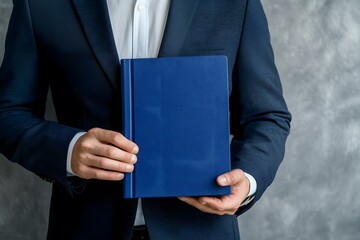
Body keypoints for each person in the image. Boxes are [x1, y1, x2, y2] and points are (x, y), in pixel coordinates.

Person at [0, 0, 291, 239]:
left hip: (200, 228)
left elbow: (266, 116)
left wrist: (248, 179)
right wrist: (68, 150)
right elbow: (8, 113)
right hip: (85, 227)